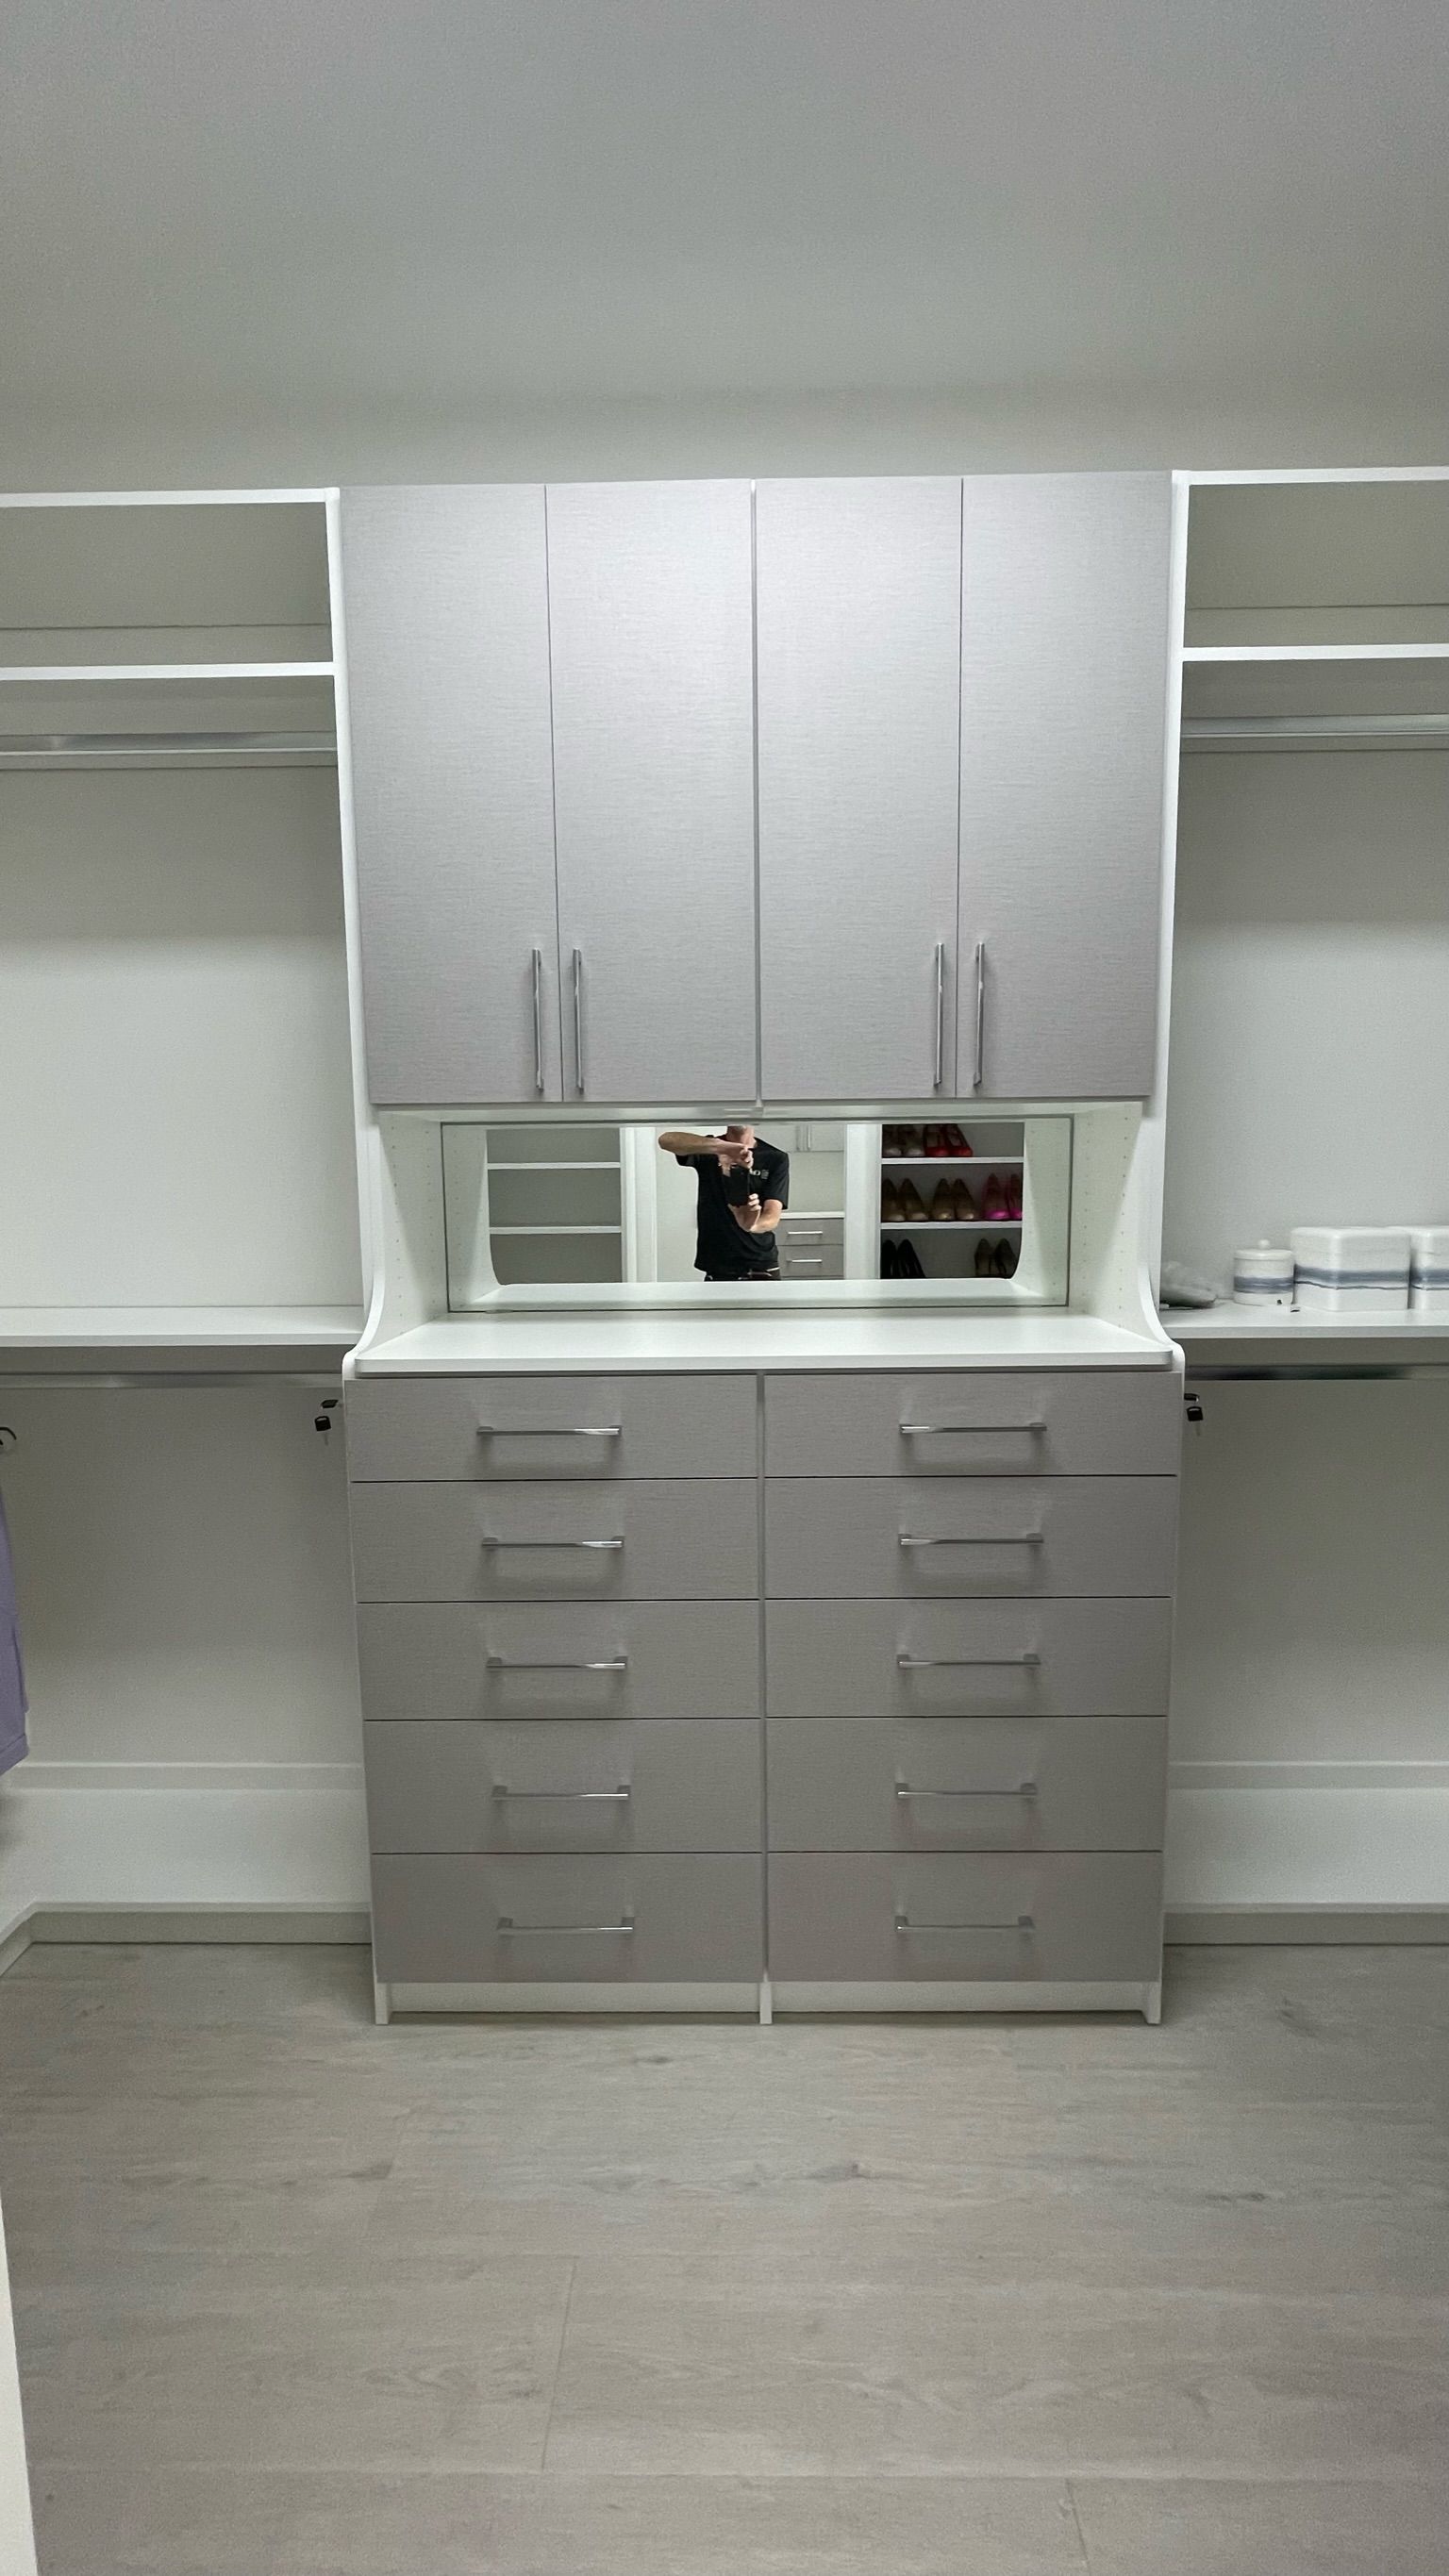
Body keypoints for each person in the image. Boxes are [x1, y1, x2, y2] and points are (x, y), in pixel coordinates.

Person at [658, 1122, 790, 1281]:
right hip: (717, 1261)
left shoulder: (774, 1157)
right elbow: (666, 1140)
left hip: (760, 1262)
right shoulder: (709, 1150)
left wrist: (751, 1225)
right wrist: (724, 1147)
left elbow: (772, 1216)